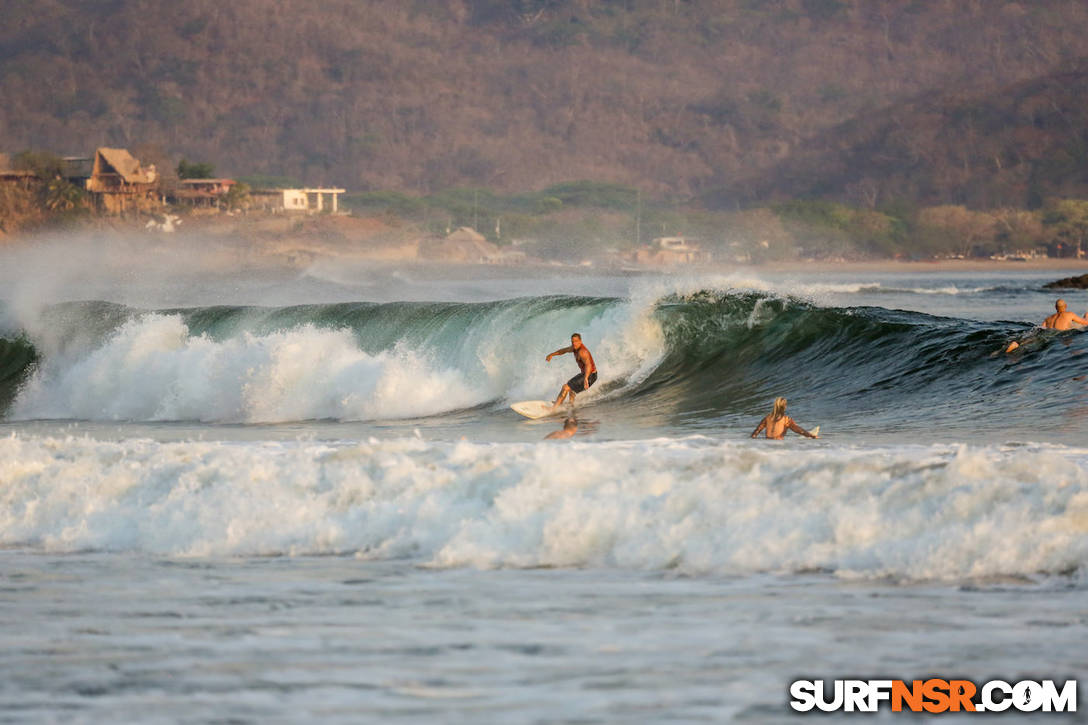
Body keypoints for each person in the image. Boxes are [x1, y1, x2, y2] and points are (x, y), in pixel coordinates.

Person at [1004, 299, 1088, 352]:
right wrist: (1086, 315)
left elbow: (1041, 328)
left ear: (1055, 307)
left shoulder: (1048, 318)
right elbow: (1085, 323)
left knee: (1034, 339)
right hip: (1057, 335)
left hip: (1046, 332)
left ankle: (1017, 344)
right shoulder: (1069, 314)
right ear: (1066, 306)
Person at [546, 333, 597, 409]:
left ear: (580, 341)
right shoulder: (574, 348)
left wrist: (586, 378)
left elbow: (588, 365)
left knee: (565, 387)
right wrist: (552, 354)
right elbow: (564, 350)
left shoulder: (582, 352)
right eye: (572, 341)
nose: (574, 343)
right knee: (571, 388)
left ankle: (554, 409)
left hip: (590, 375)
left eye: (576, 341)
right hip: (586, 374)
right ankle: (571, 406)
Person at [750, 397, 818, 440]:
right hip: (777, 446)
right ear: (784, 406)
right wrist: (811, 435)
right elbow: (798, 430)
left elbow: (756, 432)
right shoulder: (786, 419)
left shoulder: (767, 418)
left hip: (767, 446)